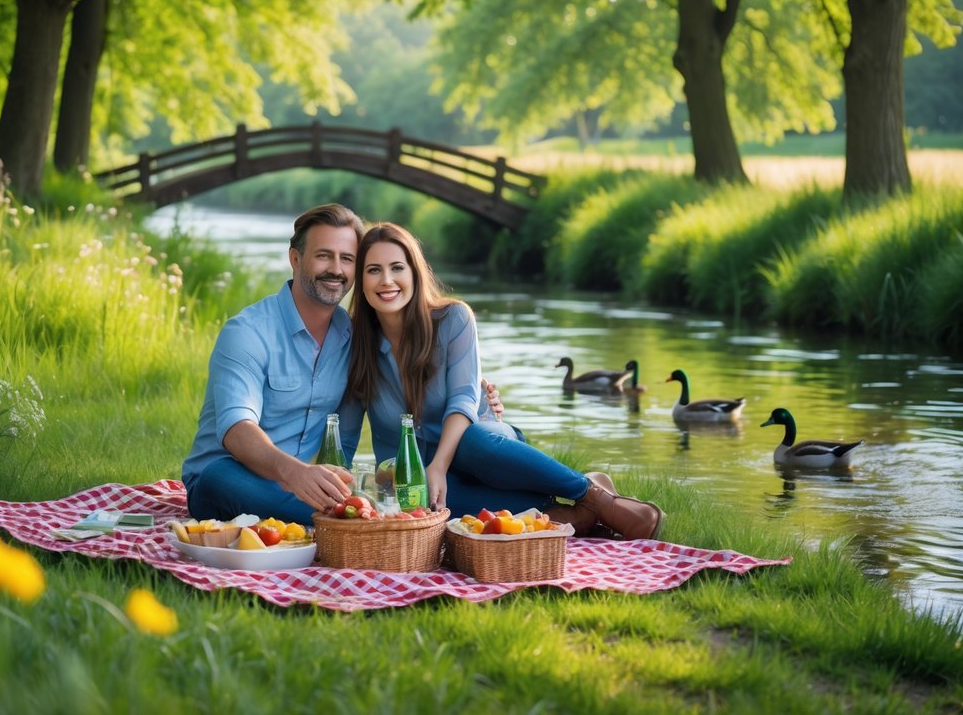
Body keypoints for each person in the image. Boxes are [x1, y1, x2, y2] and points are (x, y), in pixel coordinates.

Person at [181, 204, 503, 526]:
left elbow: (403, 383)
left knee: (412, 497)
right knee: (219, 476)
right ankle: (370, 528)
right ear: (295, 259)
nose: (336, 269)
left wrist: (476, 391)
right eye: (323, 255)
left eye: (347, 259)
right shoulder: (248, 333)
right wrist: (295, 472)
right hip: (230, 480)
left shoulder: (353, 338)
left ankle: (539, 507)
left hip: (302, 488)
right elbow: (237, 429)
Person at [344, 222, 663, 541]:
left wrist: (439, 465)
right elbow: (344, 433)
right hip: (416, 475)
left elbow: (463, 401)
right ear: (361, 280)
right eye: (373, 270)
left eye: (397, 267)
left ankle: (595, 497)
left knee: (474, 440)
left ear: (414, 273)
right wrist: (341, 491)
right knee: (422, 502)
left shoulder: (454, 319)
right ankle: (572, 516)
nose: (386, 280)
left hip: (483, 446)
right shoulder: (355, 345)